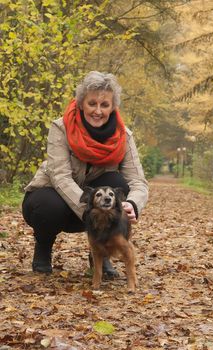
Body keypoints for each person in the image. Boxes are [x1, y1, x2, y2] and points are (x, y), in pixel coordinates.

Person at [22, 71, 148, 277]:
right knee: (47, 205)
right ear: (81, 103)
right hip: (57, 200)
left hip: (96, 210)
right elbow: (60, 176)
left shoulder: (124, 136)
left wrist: (133, 204)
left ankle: (101, 255)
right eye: (92, 103)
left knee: (117, 184)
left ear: (112, 107)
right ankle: (43, 248)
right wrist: (89, 207)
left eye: (104, 105)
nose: (98, 111)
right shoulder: (60, 128)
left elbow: (138, 180)